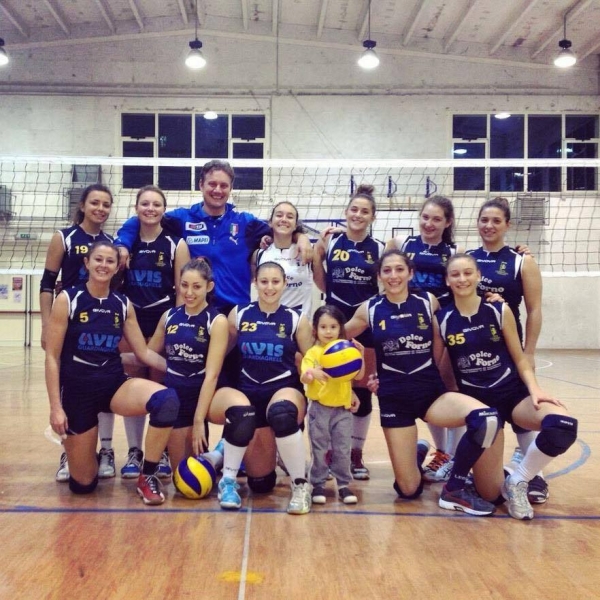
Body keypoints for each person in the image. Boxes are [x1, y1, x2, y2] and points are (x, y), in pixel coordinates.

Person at [346, 249, 502, 517]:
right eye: (387, 270)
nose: (393, 276)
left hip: (431, 394)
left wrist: (490, 299)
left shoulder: (429, 302)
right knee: (408, 490)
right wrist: (352, 367)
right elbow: (333, 335)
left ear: (410, 273)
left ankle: (454, 487)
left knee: (487, 418)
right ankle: (417, 454)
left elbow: (461, 309)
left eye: (399, 269)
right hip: (394, 399)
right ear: (379, 276)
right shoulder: (369, 309)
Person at [438, 253, 578, 520]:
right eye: (455, 274)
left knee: (563, 425)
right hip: (482, 409)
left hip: (511, 394)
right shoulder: (442, 319)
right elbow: (441, 367)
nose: (462, 279)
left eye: (468, 273)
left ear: (479, 276)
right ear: (447, 280)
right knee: (491, 494)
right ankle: (494, 473)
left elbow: (520, 358)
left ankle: (520, 479)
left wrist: (535, 389)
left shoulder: (499, 310)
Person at [44, 240, 180, 505]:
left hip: (113, 385)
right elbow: (52, 357)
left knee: (166, 400)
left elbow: (143, 353)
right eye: (98, 259)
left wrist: (181, 369)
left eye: (110, 261)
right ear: (87, 263)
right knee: (83, 485)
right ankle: (82, 451)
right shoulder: (68, 299)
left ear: (118, 267)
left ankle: (147, 476)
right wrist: (55, 408)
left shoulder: (122, 304)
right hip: (77, 391)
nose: (103, 265)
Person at [115, 160, 312, 315]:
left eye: (223, 185)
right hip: (196, 310)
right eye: (212, 184)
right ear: (201, 184)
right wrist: (123, 244)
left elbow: (280, 228)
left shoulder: (245, 223)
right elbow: (143, 219)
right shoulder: (182, 219)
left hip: (235, 312)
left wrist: (301, 236)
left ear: (231, 188)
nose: (217, 190)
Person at [195, 261, 314, 514]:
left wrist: (340, 363)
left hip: (281, 392)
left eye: (275, 282)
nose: (269, 287)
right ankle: (228, 480)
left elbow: (314, 359)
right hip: (246, 394)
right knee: (260, 482)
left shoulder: (296, 319)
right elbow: (219, 354)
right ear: (255, 283)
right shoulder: (238, 314)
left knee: (282, 415)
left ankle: (300, 485)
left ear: (284, 284)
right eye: (264, 281)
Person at [466, 196, 547, 503]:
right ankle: (466, 466)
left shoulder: (521, 261)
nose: (489, 226)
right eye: (484, 220)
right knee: (477, 410)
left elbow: (534, 310)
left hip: (509, 348)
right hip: (473, 348)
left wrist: (529, 353)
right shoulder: (467, 258)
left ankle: (535, 475)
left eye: (496, 221)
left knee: (521, 413)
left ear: (507, 225)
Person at [39, 184, 118, 482]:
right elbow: (47, 283)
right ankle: (68, 450)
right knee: (70, 384)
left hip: (99, 320)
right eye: (95, 202)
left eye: (106, 204)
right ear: (83, 205)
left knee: (104, 380)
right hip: (68, 317)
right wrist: (46, 324)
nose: (100, 209)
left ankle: (106, 449)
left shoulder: (111, 243)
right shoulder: (64, 237)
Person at [386, 195, 463, 483]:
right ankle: (441, 450)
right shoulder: (402, 244)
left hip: (443, 327)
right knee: (425, 388)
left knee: (449, 388)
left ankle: (452, 457)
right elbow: (383, 269)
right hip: (409, 328)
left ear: (448, 222)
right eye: (425, 217)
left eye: (437, 219)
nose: (429, 223)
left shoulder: (455, 250)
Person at [118, 185, 191, 480]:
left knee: (160, 386)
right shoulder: (125, 243)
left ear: (164, 209)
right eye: (145, 204)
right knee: (134, 386)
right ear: (136, 208)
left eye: (156, 204)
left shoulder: (176, 244)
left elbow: (182, 289)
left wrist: (177, 325)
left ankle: (158, 451)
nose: (150, 209)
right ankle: (134, 450)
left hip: (162, 319)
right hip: (131, 319)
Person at [313, 184, 384, 480]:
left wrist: (365, 321)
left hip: (365, 326)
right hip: (333, 325)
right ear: (346, 212)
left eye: (364, 211)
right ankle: (331, 453)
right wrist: (317, 252)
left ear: (372, 217)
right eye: (354, 209)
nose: (358, 215)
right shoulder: (332, 242)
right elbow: (322, 283)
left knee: (362, 390)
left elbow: (384, 289)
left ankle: (355, 452)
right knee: (330, 389)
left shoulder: (379, 248)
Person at [144, 258, 228, 469]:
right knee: (181, 475)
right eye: (184, 285)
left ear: (209, 286)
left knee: (195, 472)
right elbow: (147, 355)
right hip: (174, 395)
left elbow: (212, 376)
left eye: (196, 286)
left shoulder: (217, 321)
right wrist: (114, 357)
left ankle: (222, 453)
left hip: (200, 395)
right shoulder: (169, 316)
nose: (189, 292)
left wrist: (199, 419)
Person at [301, 306, 364, 505]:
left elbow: (358, 376)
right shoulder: (313, 352)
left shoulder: (346, 351)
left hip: (343, 409)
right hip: (319, 408)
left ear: (340, 328)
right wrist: (312, 373)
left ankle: (344, 485)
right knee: (319, 448)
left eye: (333, 327)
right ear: (315, 329)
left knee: (343, 448)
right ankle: (318, 484)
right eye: (323, 327)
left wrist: (360, 356)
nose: (328, 331)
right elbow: (304, 377)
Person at [253, 201, 313, 317]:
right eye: (279, 215)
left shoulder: (308, 251)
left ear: (295, 225)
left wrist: (302, 237)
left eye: (290, 217)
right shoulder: (259, 254)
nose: (284, 219)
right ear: (270, 222)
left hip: (299, 322)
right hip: (266, 321)